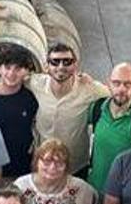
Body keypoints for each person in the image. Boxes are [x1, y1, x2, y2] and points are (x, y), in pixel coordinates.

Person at [28, 43, 109, 176]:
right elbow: (11, 79)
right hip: (44, 163)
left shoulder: (89, 88)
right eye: (55, 62)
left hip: (74, 165)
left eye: (67, 62)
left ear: (75, 65)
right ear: (46, 66)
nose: (61, 67)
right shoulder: (36, 83)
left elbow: (119, 92)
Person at [15, 139, 97, 204]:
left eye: (59, 163)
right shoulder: (21, 186)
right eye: (47, 161)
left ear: (66, 166)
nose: (52, 167)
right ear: (36, 162)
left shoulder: (80, 189)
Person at [0, 48, 40, 178]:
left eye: (18, 69)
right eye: (7, 68)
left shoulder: (30, 98)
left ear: (26, 72)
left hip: (22, 169)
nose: (12, 73)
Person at [85, 62, 131, 195]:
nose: (121, 89)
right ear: (108, 84)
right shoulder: (97, 108)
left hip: (124, 195)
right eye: (116, 83)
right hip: (95, 189)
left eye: (127, 84)